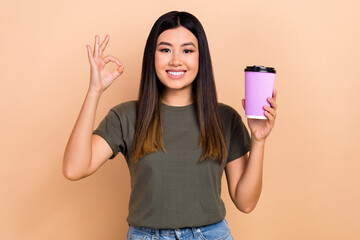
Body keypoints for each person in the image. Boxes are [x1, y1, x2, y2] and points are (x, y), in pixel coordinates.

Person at [63, 11, 277, 240]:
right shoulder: (125, 117)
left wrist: (258, 140)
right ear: (152, 56)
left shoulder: (225, 118)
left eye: (187, 50)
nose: (176, 60)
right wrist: (94, 91)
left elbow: (245, 202)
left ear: (200, 57)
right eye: (165, 50)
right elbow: (74, 169)